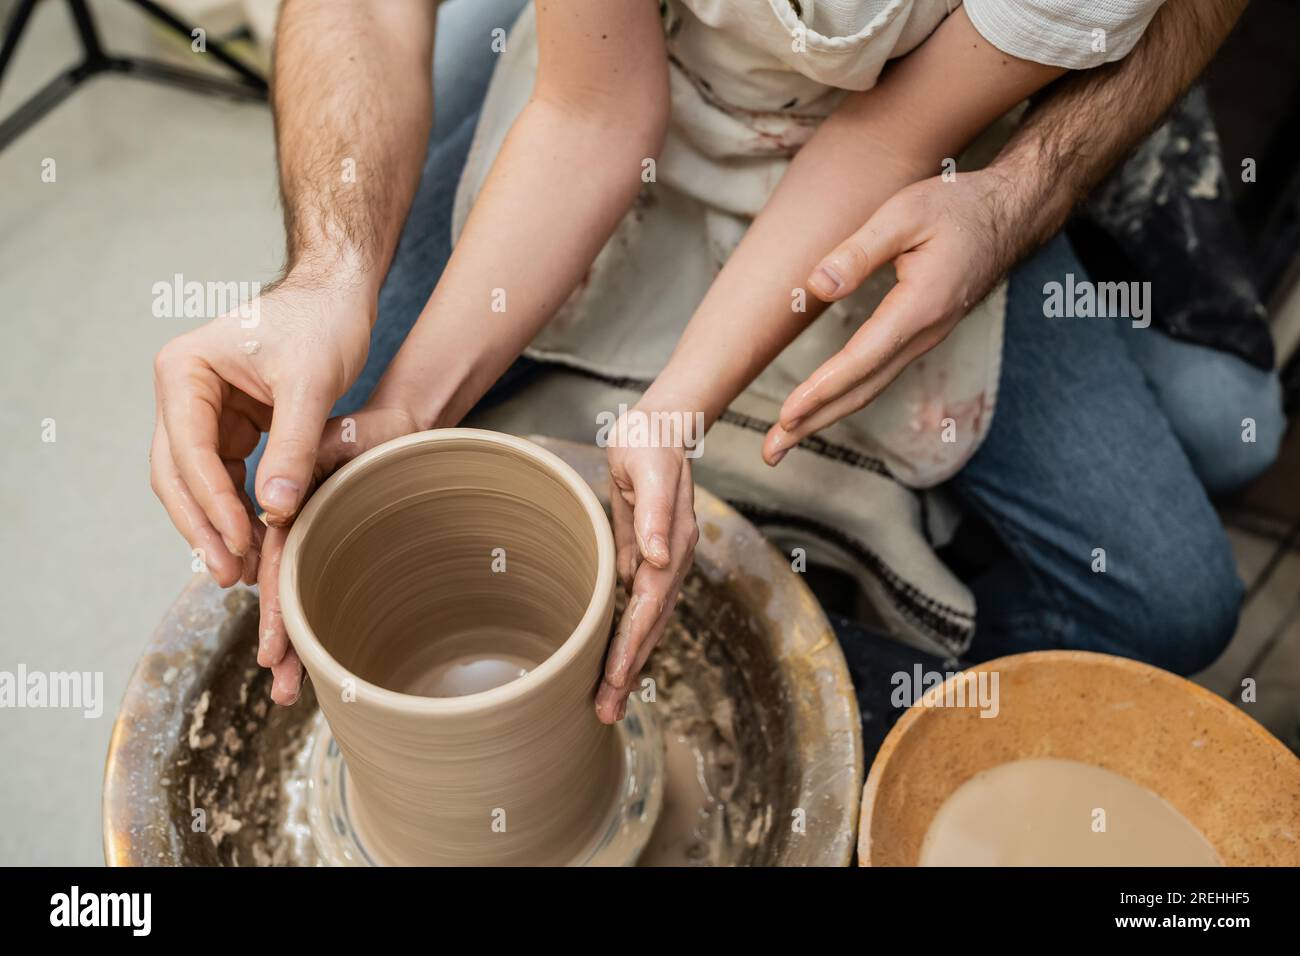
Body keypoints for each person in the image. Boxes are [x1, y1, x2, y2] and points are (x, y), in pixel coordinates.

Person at [150, 0, 1282, 721]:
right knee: (300, 489)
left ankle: (759, 685)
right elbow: (595, 112)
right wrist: (402, 402)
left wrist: (673, 411)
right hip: (628, 81)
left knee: (1170, 607)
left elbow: (883, 137)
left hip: (895, 166)